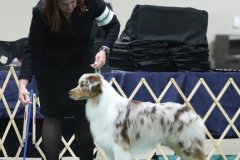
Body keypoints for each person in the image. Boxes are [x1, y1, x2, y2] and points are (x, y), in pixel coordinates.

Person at [18, 0, 120, 159]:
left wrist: (105, 49)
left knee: (85, 118)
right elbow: (32, 48)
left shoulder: (92, 3)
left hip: (81, 67)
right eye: (64, 3)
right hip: (50, 69)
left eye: (73, 1)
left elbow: (113, 25)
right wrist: (23, 83)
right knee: (52, 117)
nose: (70, 7)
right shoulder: (41, 10)